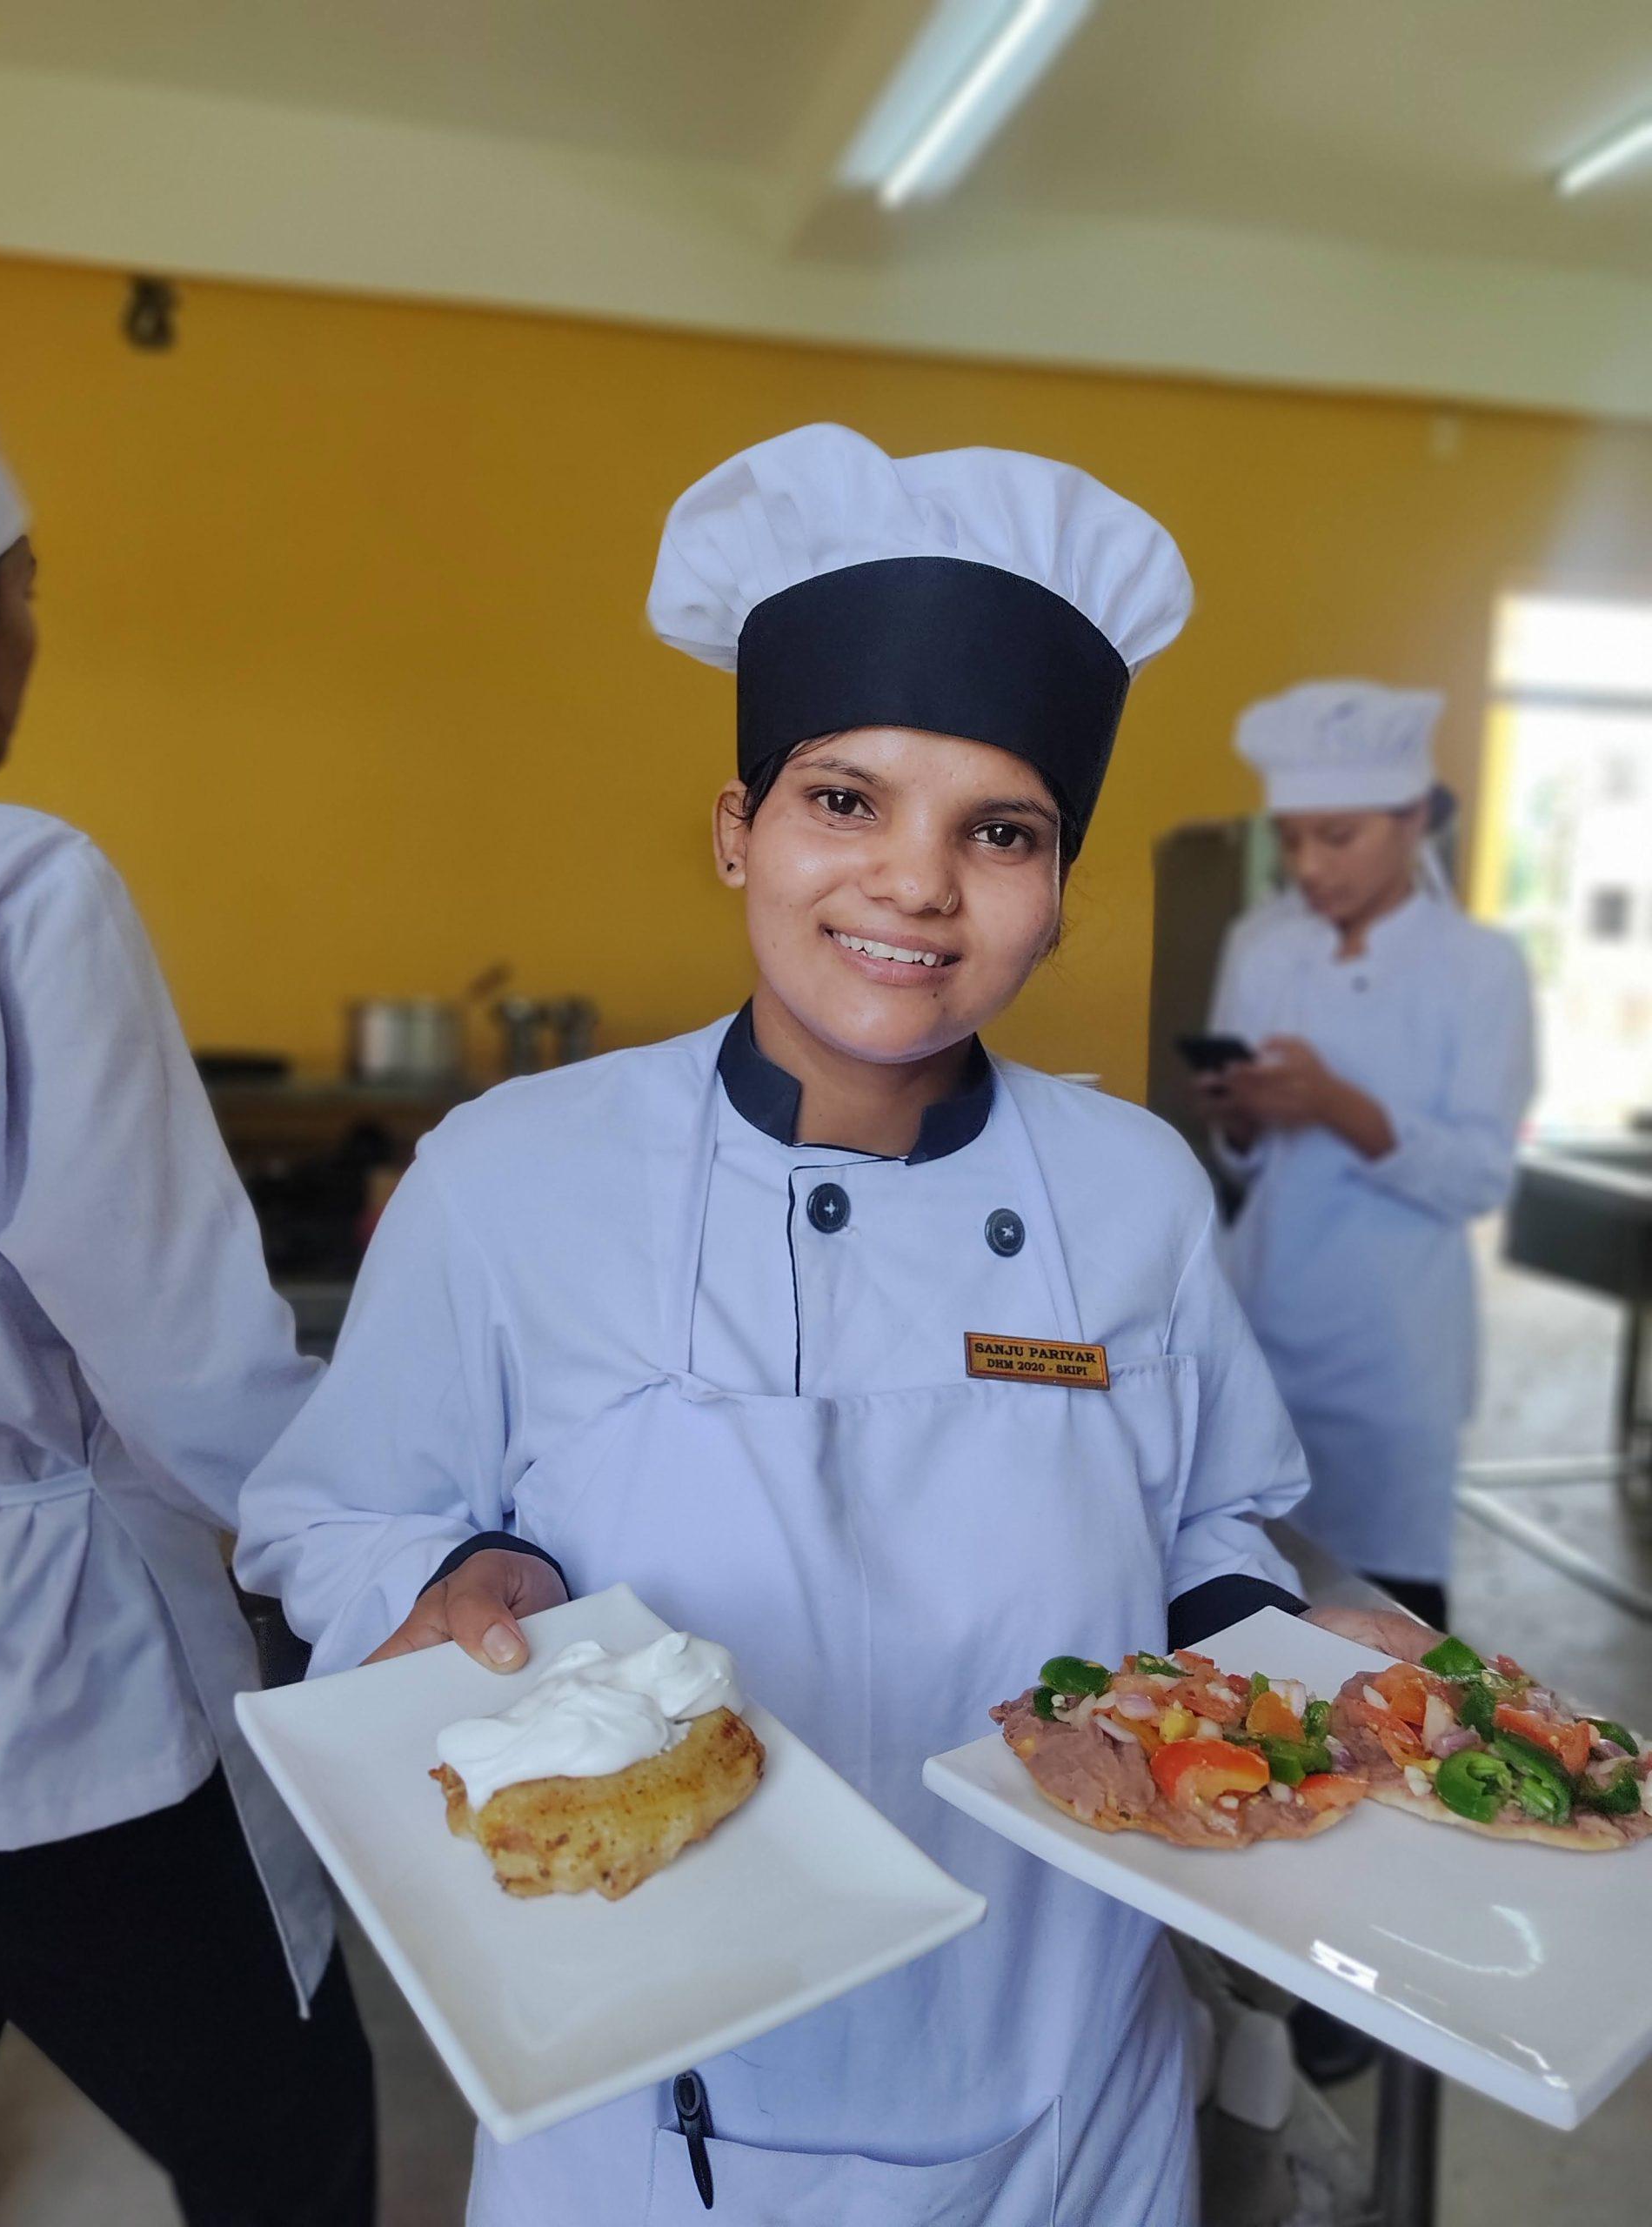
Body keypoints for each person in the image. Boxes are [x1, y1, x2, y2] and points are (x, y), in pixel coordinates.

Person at [237, 425, 1424, 2227]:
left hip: (1070, 2083)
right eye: (843, 798)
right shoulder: (514, 1173)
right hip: (646, 2104)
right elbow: (330, 1516)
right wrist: (463, 1574)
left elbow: (1206, 1527)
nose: (916, 881)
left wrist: (1289, 1653)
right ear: (739, 830)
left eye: (1000, 829)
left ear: (1057, 879)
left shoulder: (1134, 1188)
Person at [0, 435, 376, 2225]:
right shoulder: (21, 884)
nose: (38, 627)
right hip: (50, 1694)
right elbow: (180, 1351)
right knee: (287, 2130)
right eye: (29, 582)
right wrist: (406, 1541)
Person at [1199, 681, 1535, 1631]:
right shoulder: (1261, 946)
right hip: (1264, 1311)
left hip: (1393, 1346)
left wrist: (1341, 1106)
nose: (1308, 865)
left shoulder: (1479, 968)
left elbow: (1476, 1174)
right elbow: (1247, 1158)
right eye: (1294, 837)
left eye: (1337, 837)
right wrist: (1246, 1115)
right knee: (1259, 1583)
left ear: (1415, 818)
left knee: (1390, 1611)